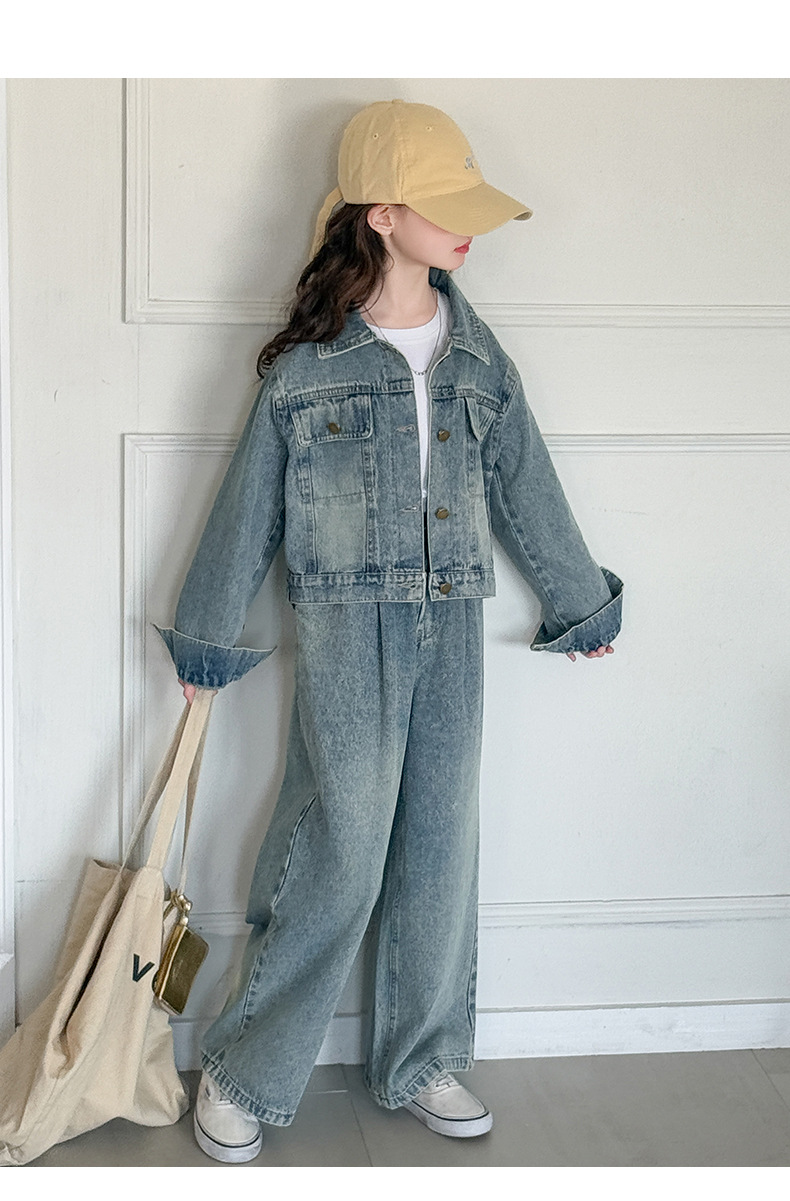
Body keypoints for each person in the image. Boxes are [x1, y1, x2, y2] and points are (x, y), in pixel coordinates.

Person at [154, 99, 623, 1164]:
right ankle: (244, 1067)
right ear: (382, 214)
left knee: (440, 844)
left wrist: (577, 601)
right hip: (345, 624)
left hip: (452, 618)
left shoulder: (478, 360)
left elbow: (526, 485)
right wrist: (208, 639)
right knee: (343, 844)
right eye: (446, 205)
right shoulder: (310, 367)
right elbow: (246, 506)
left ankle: (422, 1056)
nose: (470, 227)